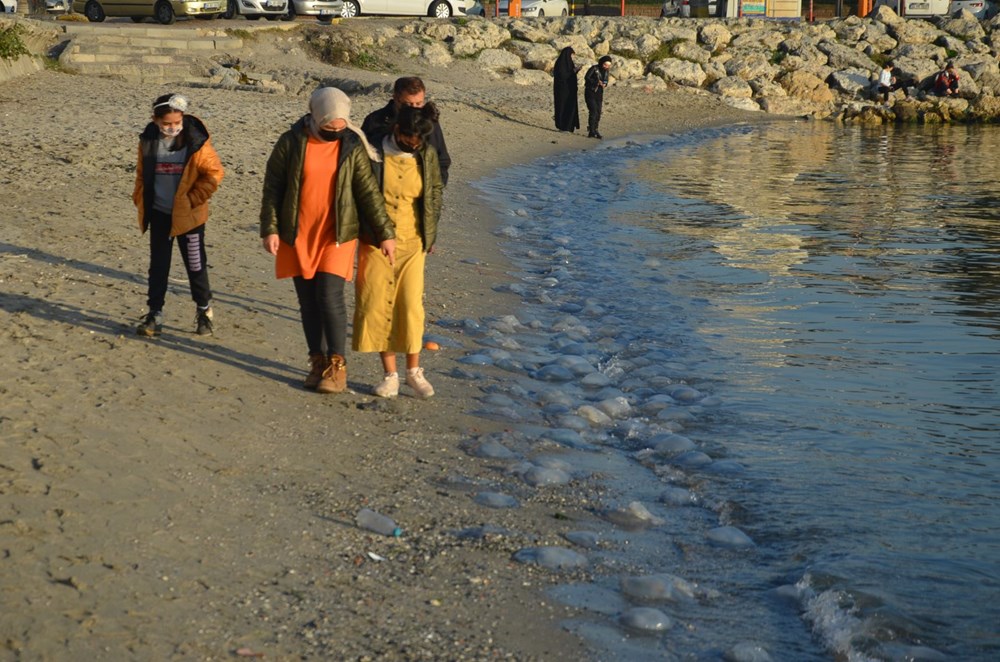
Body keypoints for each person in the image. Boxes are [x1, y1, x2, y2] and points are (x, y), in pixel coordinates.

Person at [259, 87, 396, 394]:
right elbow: (273, 188)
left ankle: (337, 367)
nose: (335, 134)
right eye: (329, 128)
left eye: (340, 128)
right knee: (308, 302)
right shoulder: (291, 142)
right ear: (316, 117)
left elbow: (368, 193)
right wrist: (270, 228)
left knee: (329, 296)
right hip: (297, 233)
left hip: (337, 234)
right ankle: (317, 361)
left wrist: (386, 233)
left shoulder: (352, 145)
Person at [353, 104, 444, 400]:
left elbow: (434, 192)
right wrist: (380, 234)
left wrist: (430, 233)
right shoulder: (374, 153)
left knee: (410, 305)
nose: (413, 146)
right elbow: (364, 195)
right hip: (375, 240)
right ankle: (390, 375)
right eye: (409, 141)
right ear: (397, 130)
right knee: (377, 304)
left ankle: (414, 372)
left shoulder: (426, 154)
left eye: (418, 143)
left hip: (412, 240)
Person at [133, 93, 224, 338]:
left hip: (190, 217)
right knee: (158, 266)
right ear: (155, 120)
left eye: (177, 122)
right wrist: (139, 198)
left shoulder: (196, 142)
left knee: (195, 264)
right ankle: (155, 314)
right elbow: (141, 175)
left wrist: (193, 199)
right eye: (167, 123)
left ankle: (204, 310)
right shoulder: (148, 141)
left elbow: (214, 174)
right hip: (159, 214)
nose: (172, 128)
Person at [361, 76, 451, 186]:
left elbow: (442, 160)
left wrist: (434, 189)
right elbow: (361, 159)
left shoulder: (429, 123)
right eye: (408, 104)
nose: (414, 108)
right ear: (395, 98)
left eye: (419, 103)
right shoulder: (375, 121)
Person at [584, 55, 613, 139]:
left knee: (598, 112)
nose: (606, 67)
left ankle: (595, 129)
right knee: (593, 111)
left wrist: (604, 84)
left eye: (608, 65)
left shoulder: (606, 71)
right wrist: (596, 82)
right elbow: (587, 78)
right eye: (605, 65)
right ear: (602, 63)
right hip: (590, 92)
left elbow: (606, 80)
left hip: (599, 93)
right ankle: (591, 131)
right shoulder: (594, 68)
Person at [553, 47, 580, 133]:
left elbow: (570, 74)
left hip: (570, 90)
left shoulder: (569, 63)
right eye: (571, 55)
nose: (572, 58)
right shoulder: (560, 64)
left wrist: (575, 71)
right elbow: (562, 76)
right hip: (562, 90)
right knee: (563, 107)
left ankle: (569, 126)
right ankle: (563, 126)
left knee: (571, 107)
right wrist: (573, 72)